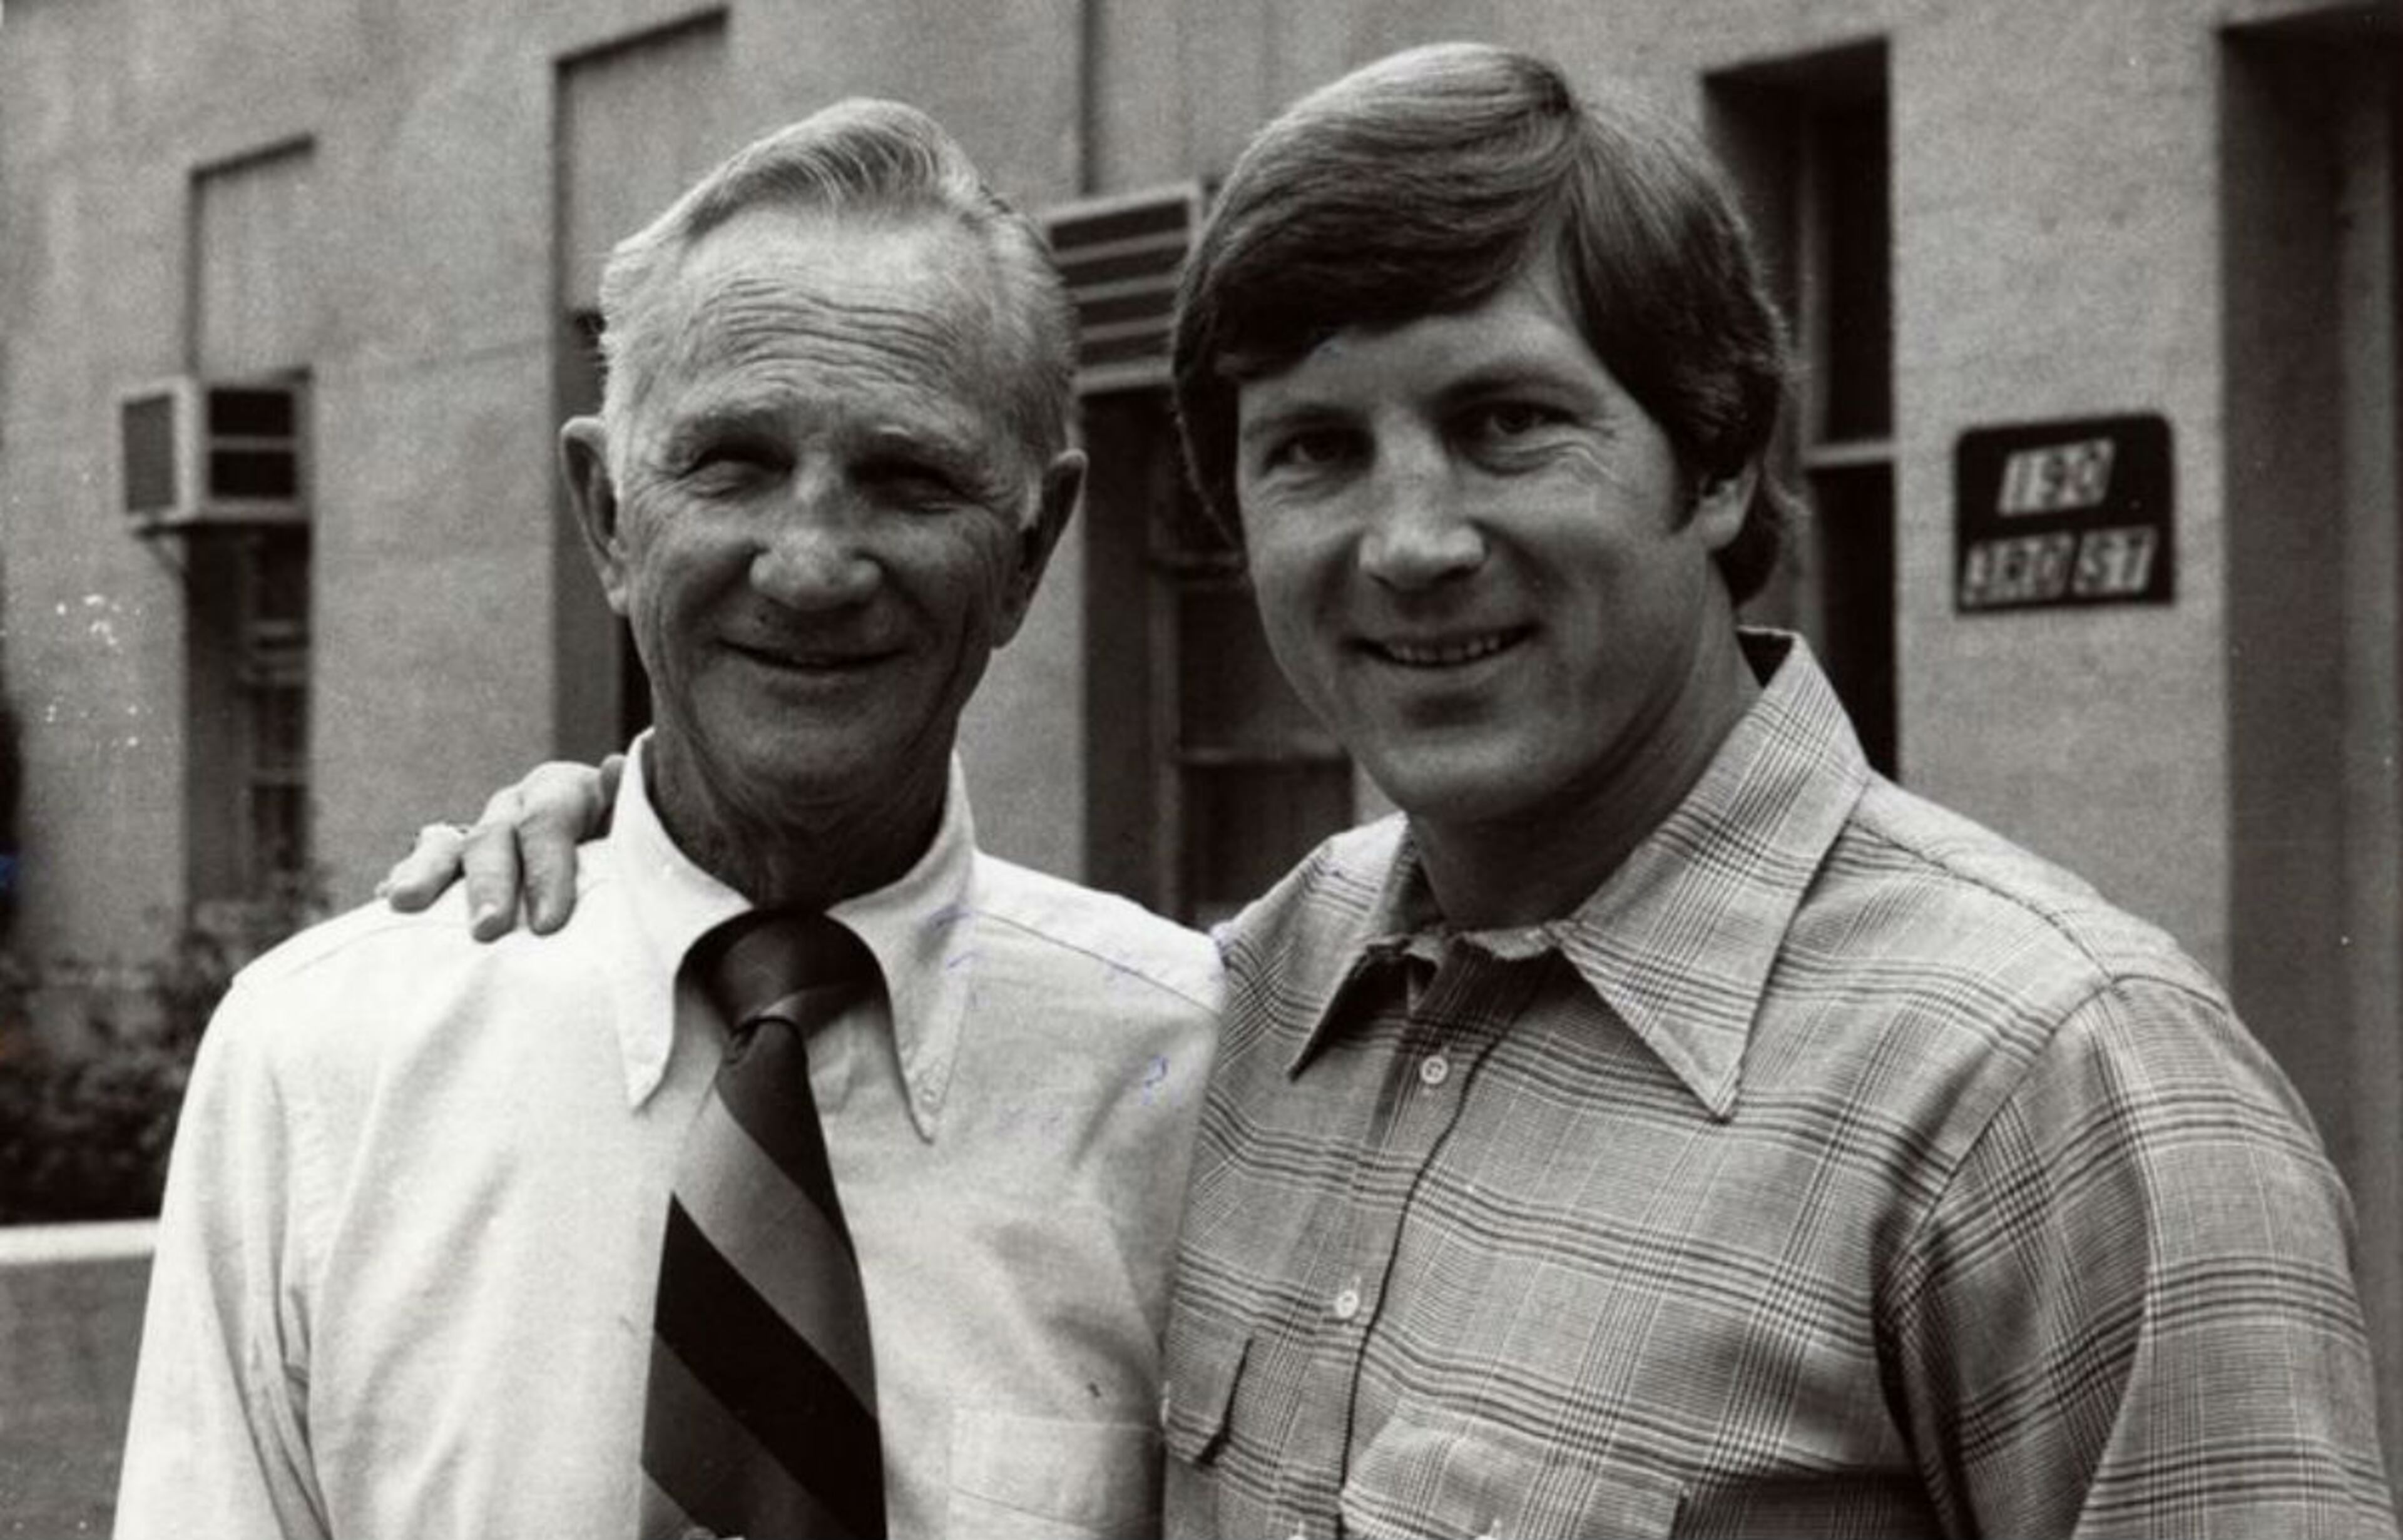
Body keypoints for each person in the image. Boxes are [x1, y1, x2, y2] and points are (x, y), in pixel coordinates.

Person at [389, 43, 2399, 1538]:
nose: (1410, 540)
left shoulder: (2056, 1090)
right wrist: (642, 844)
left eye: (1507, 421)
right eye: (1313, 451)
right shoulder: (1259, 1003)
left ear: (1712, 462)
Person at [116, 101, 1218, 1540]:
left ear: (1031, 549)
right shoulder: (319, 1062)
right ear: (607, 519)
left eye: (910, 476)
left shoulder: (1191, 1080)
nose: (812, 564)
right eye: (734, 463)